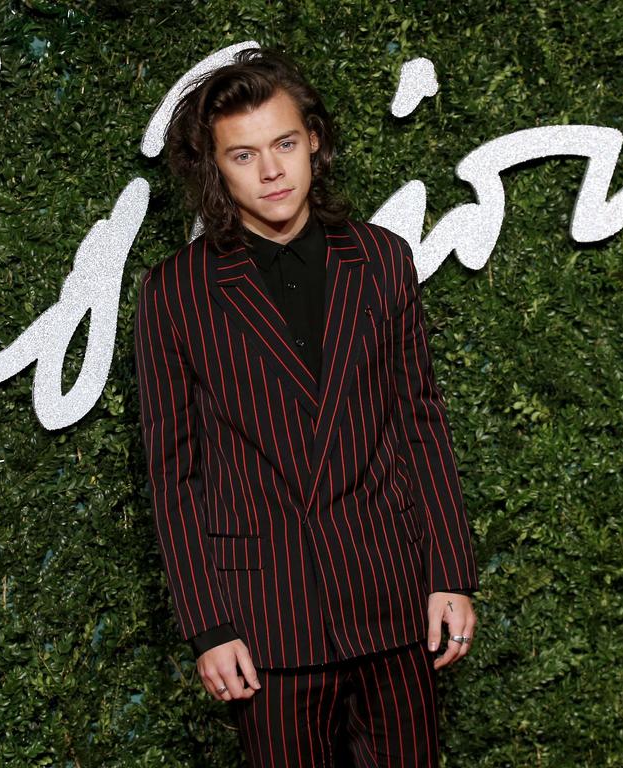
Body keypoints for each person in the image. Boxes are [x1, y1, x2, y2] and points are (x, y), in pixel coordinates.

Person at [134, 47, 478, 766]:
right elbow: (175, 474)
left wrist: (450, 572)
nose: (271, 171)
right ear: (214, 169)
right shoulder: (175, 293)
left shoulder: (383, 259)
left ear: (313, 141)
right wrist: (208, 626)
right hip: (266, 619)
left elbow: (421, 420)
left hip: (392, 595)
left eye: (285, 144)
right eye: (244, 155)